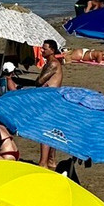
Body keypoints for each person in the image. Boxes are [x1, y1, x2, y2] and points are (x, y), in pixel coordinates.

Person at [37, 39, 63, 169]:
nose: (41, 50)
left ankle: (43, 162)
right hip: (51, 98)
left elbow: (39, 80)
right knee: (51, 130)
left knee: (45, 130)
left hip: (50, 100)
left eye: (44, 48)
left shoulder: (52, 64)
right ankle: (51, 161)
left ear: (52, 50)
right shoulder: (50, 63)